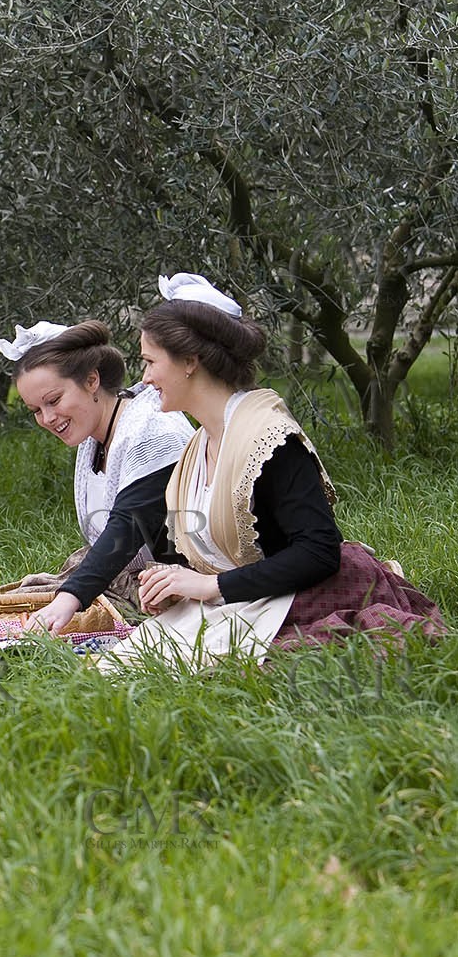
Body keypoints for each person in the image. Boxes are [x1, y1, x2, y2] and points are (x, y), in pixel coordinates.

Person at [99, 273, 445, 667]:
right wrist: (178, 585)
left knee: (189, 665)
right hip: (243, 597)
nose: (144, 379)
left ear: (190, 361)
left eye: (149, 362)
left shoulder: (269, 439)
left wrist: (210, 585)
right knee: (124, 662)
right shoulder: (199, 446)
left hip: (296, 595)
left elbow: (319, 551)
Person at [0, 320, 193, 630]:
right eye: (35, 409)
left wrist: (69, 598)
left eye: (54, 400)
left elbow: (127, 527)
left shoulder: (154, 431)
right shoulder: (97, 434)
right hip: (126, 577)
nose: (47, 418)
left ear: (91, 380)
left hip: (175, 587)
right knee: (4, 612)